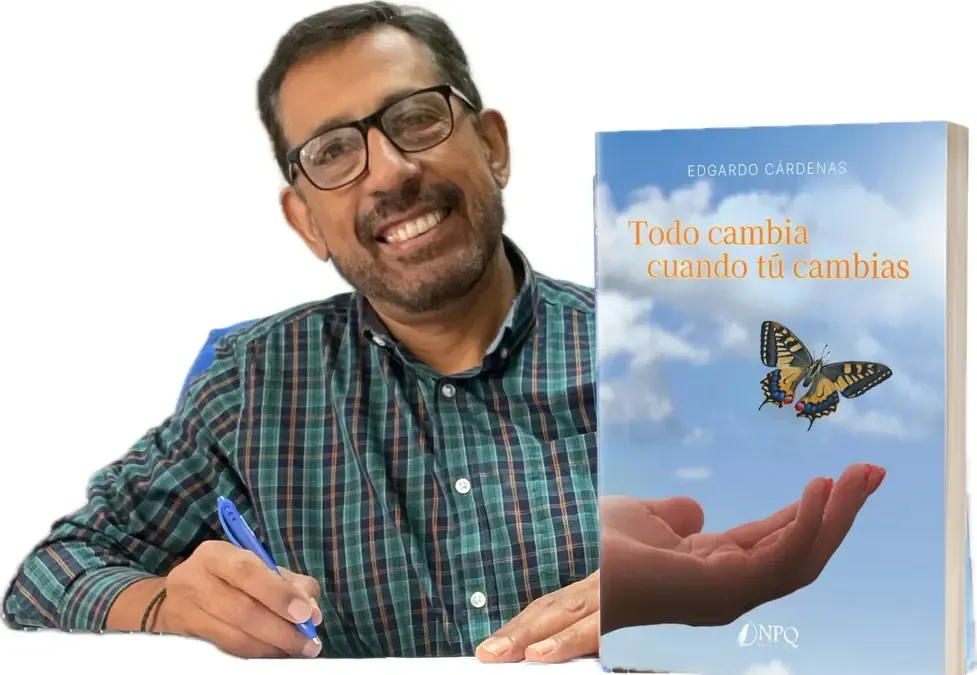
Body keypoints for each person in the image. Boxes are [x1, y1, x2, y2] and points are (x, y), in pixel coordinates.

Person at [2, 2, 882, 664]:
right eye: (332, 153)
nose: (389, 170)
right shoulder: (251, 383)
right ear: (305, 220)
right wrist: (163, 603)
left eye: (415, 118)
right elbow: (46, 574)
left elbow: (860, 572)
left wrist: (683, 611)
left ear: (492, 145)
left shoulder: (668, 345)